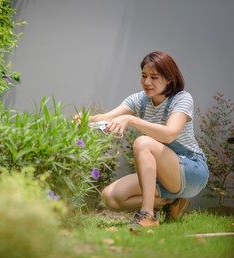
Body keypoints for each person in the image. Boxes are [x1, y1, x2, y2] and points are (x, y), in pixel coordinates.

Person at [78, 51, 209, 228]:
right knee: (110, 197)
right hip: (161, 173)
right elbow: (107, 117)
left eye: (154, 77)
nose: (147, 82)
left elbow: (169, 133)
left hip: (190, 168)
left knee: (143, 142)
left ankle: (147, 215)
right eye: (144, 76)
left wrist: (131, 120)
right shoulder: (138, 100)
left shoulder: (182, 99)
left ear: (169, 78)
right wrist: (84, 119)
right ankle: (172, 203)